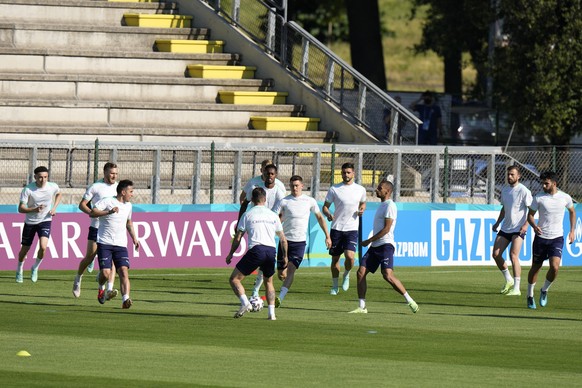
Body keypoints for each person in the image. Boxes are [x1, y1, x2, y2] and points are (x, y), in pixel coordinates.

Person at [349, 180, 419, 314]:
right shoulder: (382, 205)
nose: (376, 190)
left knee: (387, 275)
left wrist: (368, 240)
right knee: (360, 273)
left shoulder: (390, 206)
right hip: (375, 246)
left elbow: (387, 229)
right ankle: (362, 307)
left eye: (379, 188)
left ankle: (410, 300)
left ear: (387, 191)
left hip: (386, 245)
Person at [226, 187, 288, 320]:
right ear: (265, 199)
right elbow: (283, 239)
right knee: (269, 282)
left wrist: (231, 253)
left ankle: (245, 304)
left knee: (234, 279)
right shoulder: (273, 215)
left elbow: (238, 236)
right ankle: (272, 314)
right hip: (271, 251)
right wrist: (285, 257)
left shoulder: (248, 214)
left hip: (257, 250)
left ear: (252, 200)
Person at [275, 175, 332, 307]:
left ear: (302, 186)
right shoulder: (284, 202)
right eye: (292, 186)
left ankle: (280, 298)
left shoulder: (309, 201)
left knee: (291, 268)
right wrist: (279, 227)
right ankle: (282, 287)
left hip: (299, 243)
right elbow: (275, 218)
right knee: (281, 275)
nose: (294, 188)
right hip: (284, 242)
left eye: (297, 185)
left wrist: (327, 236)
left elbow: (320, 218)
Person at [525, 171, 575, 309]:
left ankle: (544, 290)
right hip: (541, 238)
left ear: (554, 183)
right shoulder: (539, 198)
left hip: (557, 238)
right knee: (535, 268)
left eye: (546, 183)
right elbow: (530, 215)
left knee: (555, 267)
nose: (543, 185)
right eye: (543, 183)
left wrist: (572, 231)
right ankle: (529, 295)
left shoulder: (565, 197)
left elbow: (572, 211)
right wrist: (534, 226)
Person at [237, 163, 286, 298]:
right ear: (262, 173)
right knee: (261, 255)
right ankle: (256, 290)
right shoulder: (255, 188)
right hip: (256, 223)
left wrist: (277, 223)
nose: (269, 176)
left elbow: (284, 210)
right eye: (267, 173)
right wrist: (239, 220)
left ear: (275, 175)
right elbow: (244, 203)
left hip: (269, 225)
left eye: (272, 174)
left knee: (264, 258)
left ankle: (255, 290)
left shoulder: (279, 191)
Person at [90, 179, 140, 309]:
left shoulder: (129, 206)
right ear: (123, 192)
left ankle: (125, 299)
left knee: (123, 271)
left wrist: (134, 238)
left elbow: (129, 223)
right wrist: (109, 212)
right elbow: (92, 212)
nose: (132, 194)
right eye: (131, 191)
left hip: (121, 244)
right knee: (106, 274)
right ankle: (101, 287)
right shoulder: (107, 201)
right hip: (105, 243)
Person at [72, 162, 119, 298]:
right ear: (104, 173)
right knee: (90, 256)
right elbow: (82, 205)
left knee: (113, 260)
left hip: (112, 229)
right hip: (97, 227)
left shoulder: (118, 187)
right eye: (111, 173)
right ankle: (78, 278)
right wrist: (92, 213)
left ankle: (105, 289)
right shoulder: (96, 187)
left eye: (116, 174)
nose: (114, 176)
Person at [322, 162, 366, 295]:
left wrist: (362, 209)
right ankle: (335, 286)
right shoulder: (334, 189)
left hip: (352, 228)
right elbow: (325, 207)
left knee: (350, 256)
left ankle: (346, 274)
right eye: (343, 172)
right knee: (335, 259)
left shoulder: (360, 189)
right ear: (341, 173)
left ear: (353, 173)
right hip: (336, 228)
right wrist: (329, 214)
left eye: (348, 172)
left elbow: (363, 203)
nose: (346, 175)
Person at [16, 166, 62, 283]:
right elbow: (21, 208)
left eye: (45, 177)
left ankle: (35, 267)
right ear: (35, 177)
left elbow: (59, 194)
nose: (43, 180)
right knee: (25, 250)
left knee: (43, 247)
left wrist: (54, 208)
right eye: (40, 177)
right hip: (30, 222)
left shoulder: (52, 186)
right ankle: (20, 269)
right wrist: (33, 210)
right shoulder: (28, 190)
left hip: (45, 220)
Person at [491, 165, 533, 296]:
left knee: (513, 255)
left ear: (518, 176)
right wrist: (497, 223)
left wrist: (526, 225)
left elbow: (532, 210)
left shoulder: (524, 191)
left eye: (512, 175)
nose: (509, 177)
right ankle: (508, 279)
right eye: (508, 174)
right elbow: (504, 209)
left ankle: (517, 288)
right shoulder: (505, 190)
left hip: (518, 229)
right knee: (496, 254)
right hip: (505, 228)